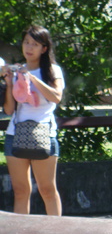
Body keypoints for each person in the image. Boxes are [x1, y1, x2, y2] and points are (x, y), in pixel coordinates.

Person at [1, 25, 65, 216]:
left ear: (44, 48)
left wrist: (31, 78)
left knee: (47, 190)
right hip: (15, 134)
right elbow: (9, 109)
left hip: (44, 134)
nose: (29, 48)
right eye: (26, 42)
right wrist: (10, 81)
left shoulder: (53, 70)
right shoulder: (17, 70)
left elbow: (56, 96)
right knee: (21, 191)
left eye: (34, 44)